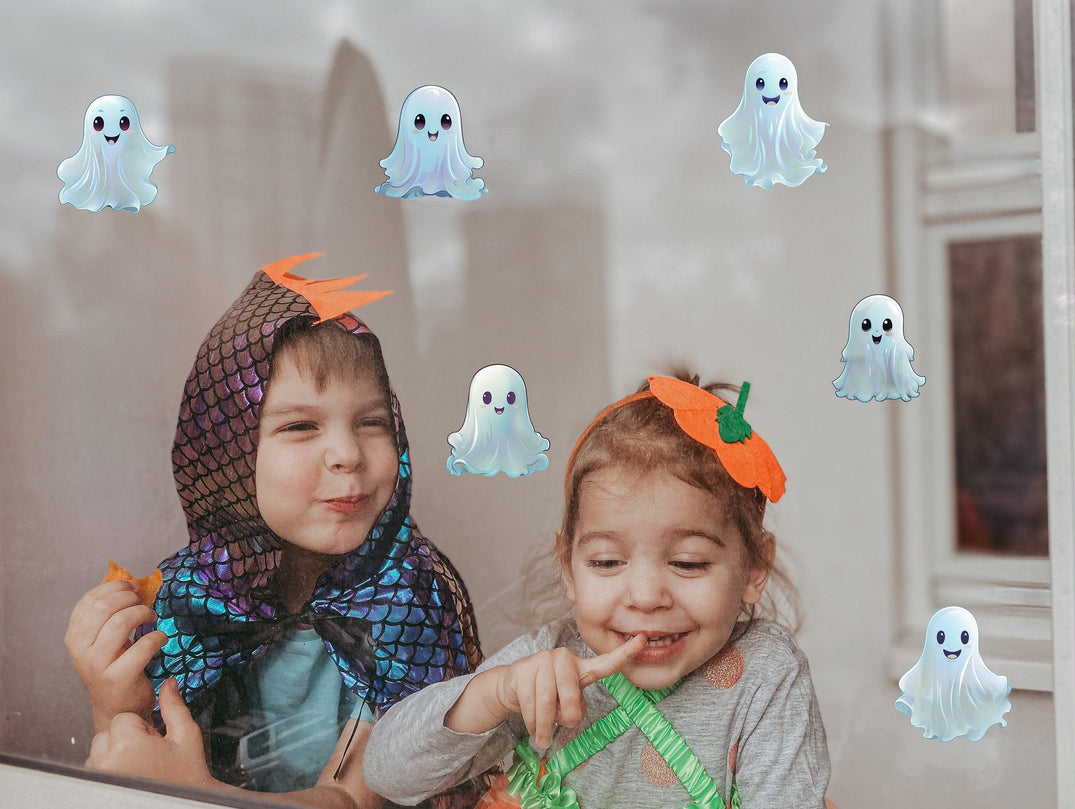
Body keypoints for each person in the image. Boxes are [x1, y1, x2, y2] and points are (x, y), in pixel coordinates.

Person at [65, 254, 484, 808]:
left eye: (372, 422)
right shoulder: (187, 601)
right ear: (228, 455)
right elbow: (131, 763)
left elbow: (359, 800)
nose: (348, 454)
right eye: (300, 426)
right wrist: (114, 703)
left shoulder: (410, 597)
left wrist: (198, 795)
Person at [363, 375, 832, 808]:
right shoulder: (546, 661)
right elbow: (387, 775)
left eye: (688, 563)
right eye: (607, 562)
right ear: (568, 566)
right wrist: (496, 694)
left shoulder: (768, 675)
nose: (646, 597)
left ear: (754, 567)